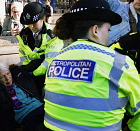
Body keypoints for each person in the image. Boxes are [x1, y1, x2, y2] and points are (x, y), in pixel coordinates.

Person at [44, 0, 140, 131]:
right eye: (108, 29)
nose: (109, 34)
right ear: (95, 30)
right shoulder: (119, 62)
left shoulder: (56, 58)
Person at [16, 2, 64, 95]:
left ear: (43, 18)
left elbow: (49, 61)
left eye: (34, 23)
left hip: (47, 75)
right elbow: (22, 53)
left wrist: (33, 73)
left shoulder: (52, 36)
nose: (31, 26)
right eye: (29, 24)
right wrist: (27, 68)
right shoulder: (23, 34)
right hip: (30, 73)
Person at [0, 62, 45, 131]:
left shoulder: (18, 78)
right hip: (25, 115)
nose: (7, 78)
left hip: (39, 106)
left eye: (8, 73)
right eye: (2, 77)